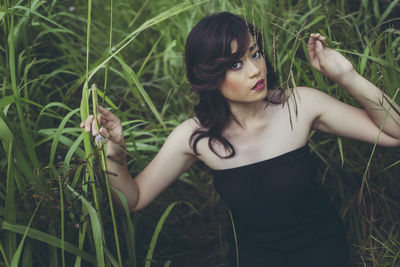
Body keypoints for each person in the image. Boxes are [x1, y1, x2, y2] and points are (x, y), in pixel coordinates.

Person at [81, 12, 400, 267]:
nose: (255, 70)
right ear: (209, 75)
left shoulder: (300, 105)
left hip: (322, 251)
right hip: (254, 258)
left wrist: (347, 76)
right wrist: (115, 153)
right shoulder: (195, 137)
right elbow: (132, 200)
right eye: (236, 64)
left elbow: (394, 132)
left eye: (255, 54)